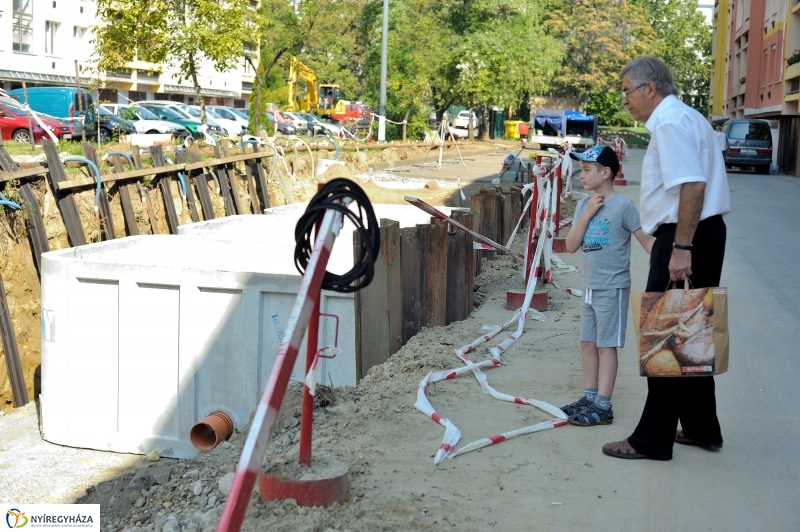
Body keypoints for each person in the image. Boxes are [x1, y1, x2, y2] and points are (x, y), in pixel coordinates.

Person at [602, 56, 730, 461]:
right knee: (690, 333)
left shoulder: (670, 123)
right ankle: (701, 428)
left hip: (686, 234)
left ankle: (651, 440)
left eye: (627, 90)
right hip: (701, 232)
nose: (625, 100)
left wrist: (681, 247)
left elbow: (692, 185)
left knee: (666, 337)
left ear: (650, 89)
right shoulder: (685, 117)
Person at [561, 145, 654, 426]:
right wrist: (588, 212)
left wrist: (670, 258)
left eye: (587, 170)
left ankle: (603, 405)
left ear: (606, 172)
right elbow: (570, 245)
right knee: (587, 343)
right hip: (589, 287)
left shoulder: (624, 206)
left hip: (612, 288)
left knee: (606, 346)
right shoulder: (582, 205)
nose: (582, 176)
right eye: (580, 170)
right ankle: (589, 397)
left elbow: (645, 240)